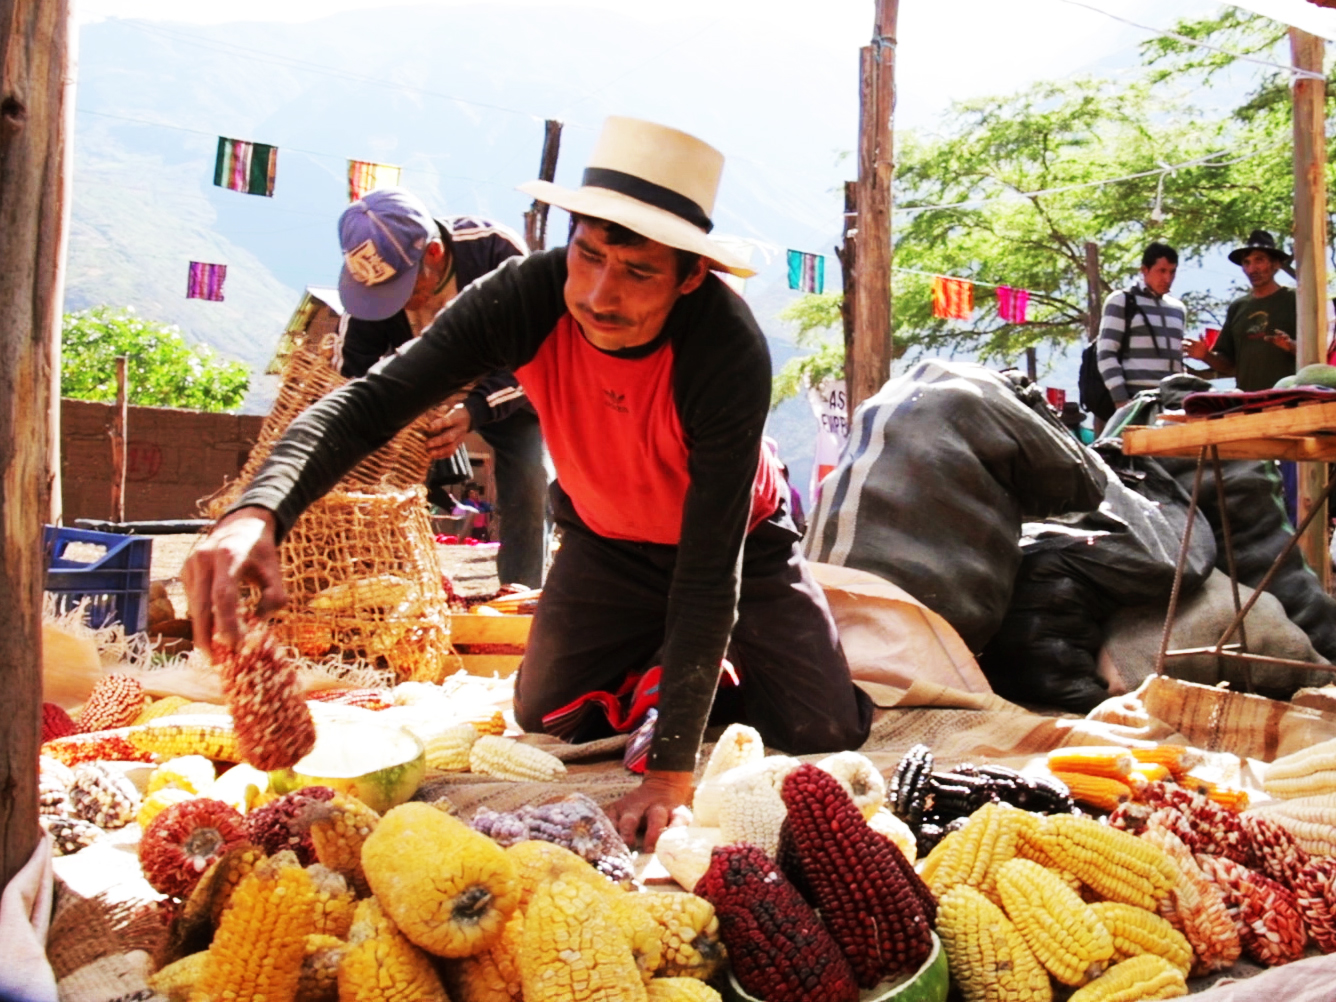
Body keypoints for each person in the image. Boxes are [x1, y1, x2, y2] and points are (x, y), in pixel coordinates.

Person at [183, 116, 873, 850]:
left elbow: (710, 570)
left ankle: (699, 674)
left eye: (639, 272)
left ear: (690, 276)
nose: (602, 295)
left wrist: (670, 777)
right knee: (545, 712)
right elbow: (370, 404)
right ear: (569, 240)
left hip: (737, 544)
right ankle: (665, 670)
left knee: (822, 727)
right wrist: (257, 509)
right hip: (606, 540)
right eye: (589, 255)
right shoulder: (526, 296)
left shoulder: (724, 347)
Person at [331, 188, 549, 588]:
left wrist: (474, 410)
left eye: (404, 290)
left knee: (529, 484)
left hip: (504, 385)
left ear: (433, 253)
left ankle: (519, 599)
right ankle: (382, 589)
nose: (396, 306)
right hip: (416, 393)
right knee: (372, 485)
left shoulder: (495, 252)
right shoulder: (373, 285)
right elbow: (351, 376)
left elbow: (537, 354)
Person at [1184, 229, 1297, 391]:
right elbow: (1228, 365)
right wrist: (1205, 355)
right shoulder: (1238, 307)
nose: (1252, 269)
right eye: (1247, 262)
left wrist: (1291, 346)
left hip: (1290, 399)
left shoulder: (1294, 300)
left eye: (1259, 260)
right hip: (1248, 404)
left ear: (1276, 264)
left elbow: (1319, 353)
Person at [1095, 242, 1187, 410]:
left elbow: (1179, 361)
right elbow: (1106, 353)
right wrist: (1120, 400)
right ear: (1144, 270)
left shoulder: (1178, 309)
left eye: (1172, 272)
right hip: (1136, 402)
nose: (1168, 278)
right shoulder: (1121, 301)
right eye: (1162, 271)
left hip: (1172, 403)